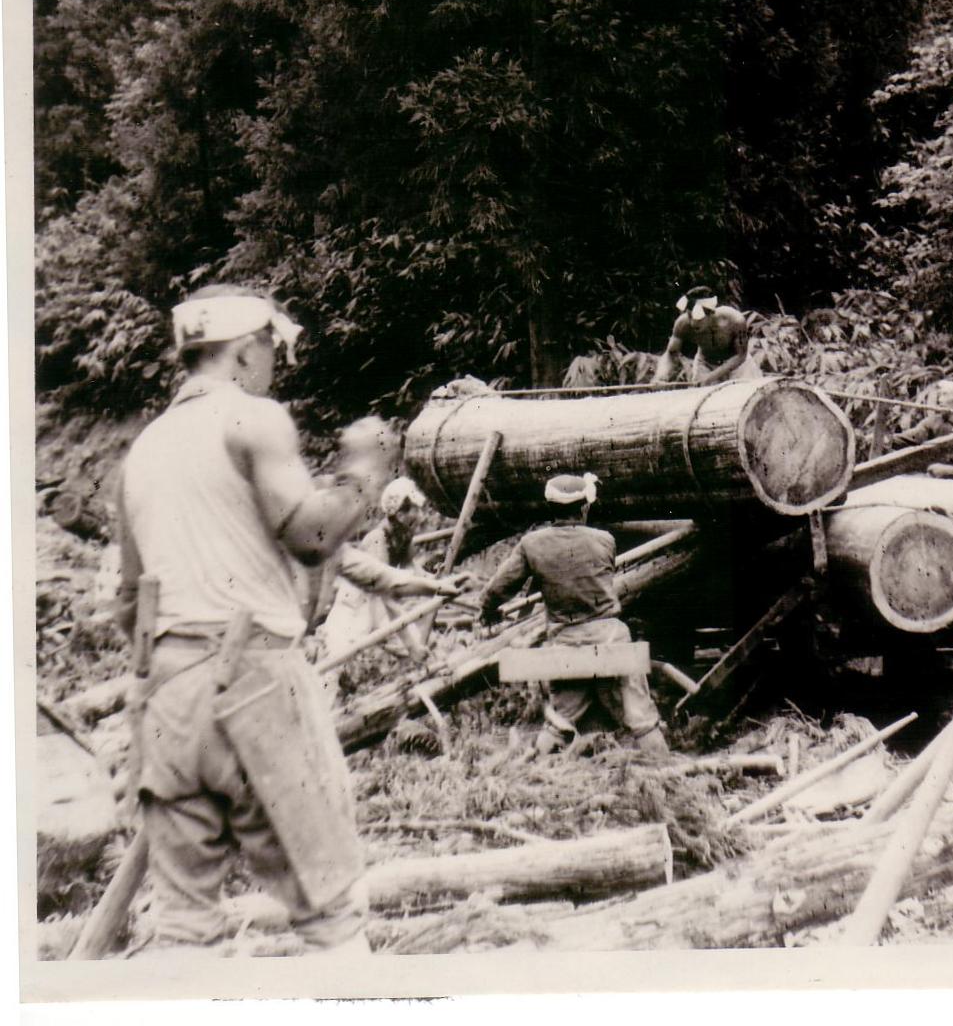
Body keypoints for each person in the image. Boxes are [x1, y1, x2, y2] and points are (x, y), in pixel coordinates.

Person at [116, 284, 397, 956]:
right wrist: (365, 471)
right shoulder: (253, 419)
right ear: (245, 349)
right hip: (254, 677)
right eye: (271, 346)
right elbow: (311, 536)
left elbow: (129, 600)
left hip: (169, 690)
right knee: (331, 909)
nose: (273, 361)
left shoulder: (143, 450)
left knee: (184, 927)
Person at [477, 472, 669, 757]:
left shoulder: (532, 545)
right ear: (584, 507)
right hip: (611, 639)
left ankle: (535, 772)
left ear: (550, 508)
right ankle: (665, 768)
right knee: (640, 717)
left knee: (560, 720)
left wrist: (487, 611)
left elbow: (498, 589)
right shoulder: (605, 540)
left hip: (566, 641)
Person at [315, 477, 468, 676]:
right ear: (399, 513)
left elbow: (410, 569)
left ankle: (440, 680)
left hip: (380, 609)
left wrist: (436, 581)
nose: (420, 516)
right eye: (415, 509)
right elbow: (386, 594)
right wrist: (410, 645)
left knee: (423, 645)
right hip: (355, 608)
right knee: (333, 663)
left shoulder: (403, 536)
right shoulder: (377, 539)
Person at [653, 285, 762, 384]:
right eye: (690, 316)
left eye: (698, 318)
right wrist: (661, 377)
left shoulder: (735, 320)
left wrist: (710, 377)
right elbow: (671, 353)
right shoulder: (682, 324)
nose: (693, 323)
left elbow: (740, 355)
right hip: (705, 364)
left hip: (738, 365)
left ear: (711, 313)